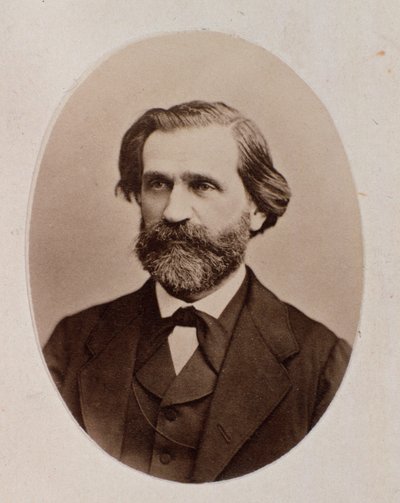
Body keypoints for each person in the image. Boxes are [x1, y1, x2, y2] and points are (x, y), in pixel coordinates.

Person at [44, 101, 351, 483]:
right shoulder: (71, 344)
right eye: (158, 184)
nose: (174, 212)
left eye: (202, 186)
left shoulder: (322, 364)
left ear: (257, 207)